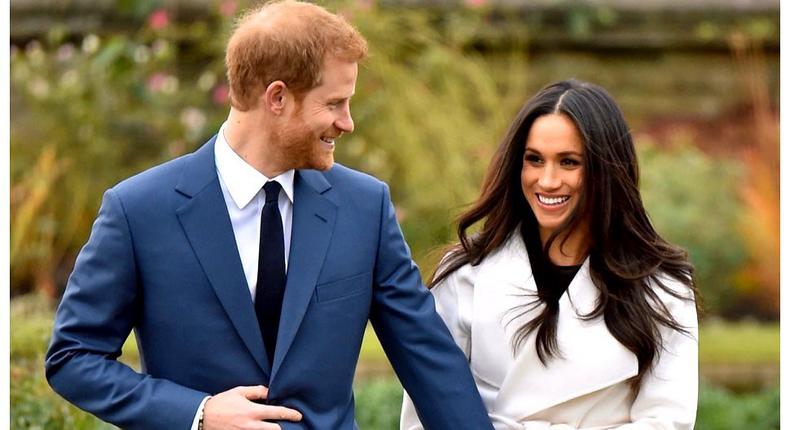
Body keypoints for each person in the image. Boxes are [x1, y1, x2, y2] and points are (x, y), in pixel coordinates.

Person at [45, 1, 494, 429]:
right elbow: (73, 357)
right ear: (277, 98)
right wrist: (196, 414)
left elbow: (430, 362)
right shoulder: (138, 210)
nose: (348, 122)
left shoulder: (365, 207)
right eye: (334, 103)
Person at [401, 79, 700, 429]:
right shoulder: (466, 274)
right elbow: (425, 415)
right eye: (534, 160)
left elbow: (667, 421)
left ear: (606, 171)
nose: (547, 180)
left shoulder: (661, 288)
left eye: (569, 162)